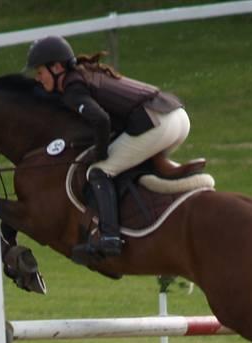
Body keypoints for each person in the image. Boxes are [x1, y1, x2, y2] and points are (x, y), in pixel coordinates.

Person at [25, 35, 190, 262]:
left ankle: (110, 238)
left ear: (56, 67)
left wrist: (99, 154)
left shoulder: (73, 87)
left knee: (99, 170)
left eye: (40, 71)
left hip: (157, 123)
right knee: (122, 162)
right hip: (176, 115)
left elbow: (101, 121)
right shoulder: (84, 74)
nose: (38, 78)